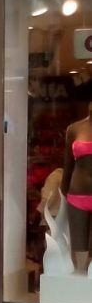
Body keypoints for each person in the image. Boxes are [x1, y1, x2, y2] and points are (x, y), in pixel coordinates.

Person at [62, 109, 92, 273]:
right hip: (76, 194)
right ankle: (78, 287)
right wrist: (62, 195)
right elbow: (67, 167)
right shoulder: (74, 129)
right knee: (79, 254)